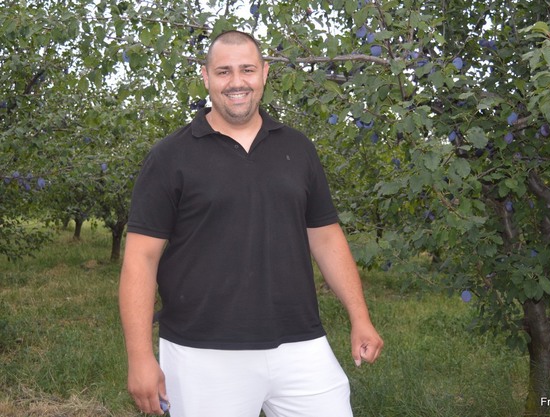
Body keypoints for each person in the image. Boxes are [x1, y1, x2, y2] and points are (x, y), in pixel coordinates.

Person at [118, 30, 383, 417]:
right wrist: (139, 356)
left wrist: (360, 317)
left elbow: (326, 237)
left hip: (299, 343)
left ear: (264, 74)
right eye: (223, 71)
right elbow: (141, 259)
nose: (236, 82)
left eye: (247, 69)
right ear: (206, 77)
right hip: (203, 351)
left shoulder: (298, 148)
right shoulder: (170, 157)